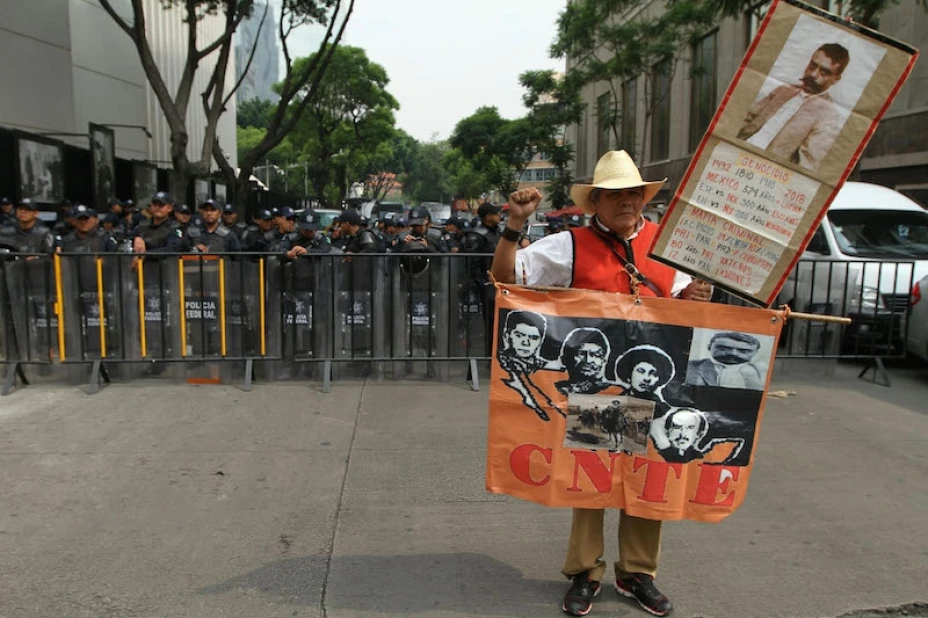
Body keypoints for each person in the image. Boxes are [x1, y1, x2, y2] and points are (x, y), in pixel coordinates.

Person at [490, 149, 713, 618]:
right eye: (614, 195)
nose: (626, 202)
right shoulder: (569, 245)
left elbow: (686, 302)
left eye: (632, 193)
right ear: (595, 203)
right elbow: (505, 278)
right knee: (590, 483)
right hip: (597, 389)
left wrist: (695, 296)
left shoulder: (666, 243)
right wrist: (514, 225)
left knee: (648, 480)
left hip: (653, 386)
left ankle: (637, 574)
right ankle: (585, 572)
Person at [737, 43, 850, 172]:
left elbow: (807, 164)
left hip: (764, 171)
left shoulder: (828, 116)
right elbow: (746, 118)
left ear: (836, 79)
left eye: (824, 72)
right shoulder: (783, 90)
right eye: (812, 66)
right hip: (736, 152)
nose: (813, 74)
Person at [685, 332, 764, 390]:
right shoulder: (689, 366)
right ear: (709, 347)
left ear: (755, 353)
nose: (733, 353)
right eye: (723, 348)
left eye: (743, 351)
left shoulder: (763, 372)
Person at [554, 327, 612, 395]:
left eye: (596, 355)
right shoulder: (551, 391)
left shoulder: (616, 391)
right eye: (581, 354)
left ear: (604, 361)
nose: (588, 360)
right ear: (565, 359)